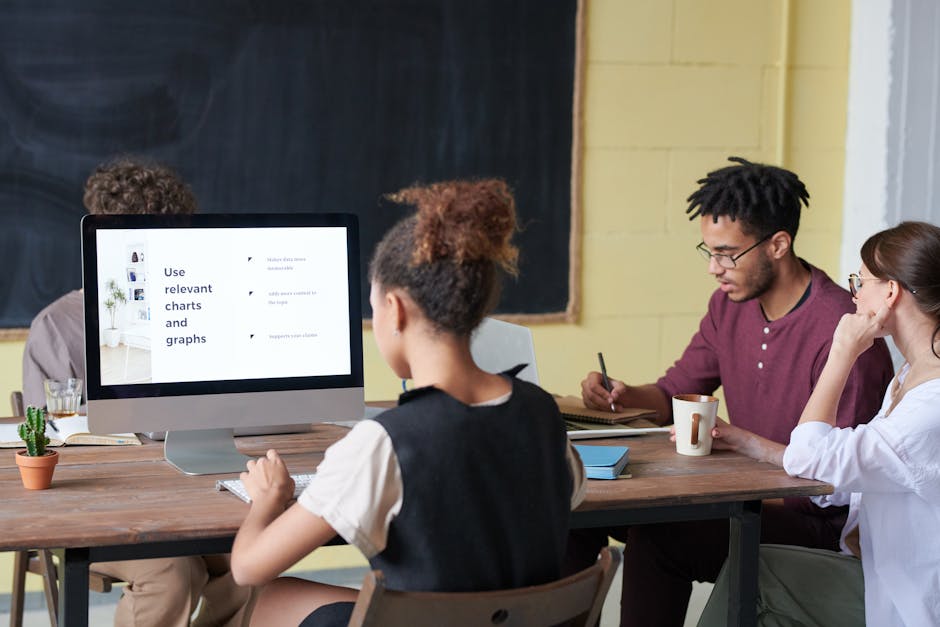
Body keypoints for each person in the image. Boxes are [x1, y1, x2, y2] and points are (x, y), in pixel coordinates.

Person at [230, 179, 587, 627]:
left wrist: (268, 498)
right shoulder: (543, 412)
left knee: (271, 597)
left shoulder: (385, 443)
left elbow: (247, 568)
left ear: (395, 309)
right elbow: (561, 499)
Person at [574, 157, 896, 627]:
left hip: (814, 522)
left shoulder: (843, 333)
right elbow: (675, 391)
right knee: (576, 515)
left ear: (778, 245)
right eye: (708, 252)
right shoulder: (729, 306)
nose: (714, 268)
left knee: (660, 536)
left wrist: (711, 493)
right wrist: (620, 393)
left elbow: (834, 485)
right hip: (743, 497)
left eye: (727, 254)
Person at [22, 157, 253, 627]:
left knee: (255, 555)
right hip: (100, 505)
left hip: (186, 494)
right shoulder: (57, 327)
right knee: (172, 571)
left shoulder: (196, 313)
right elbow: (46, 448)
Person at [699, 220, 940, 626]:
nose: (854, 295)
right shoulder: (910, 376)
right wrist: (746, 443)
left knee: (757, 574)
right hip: (879, 572)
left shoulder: (931, 403)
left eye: (859, 282)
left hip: (910, 599)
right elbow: (848, 470)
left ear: (891, 292)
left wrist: (842, 350)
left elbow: (813, 456)